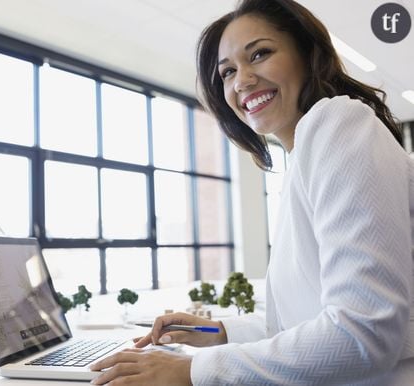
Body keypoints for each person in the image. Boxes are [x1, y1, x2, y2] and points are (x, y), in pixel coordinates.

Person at [89, 0, 414, 384]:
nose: (241, 81)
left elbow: (363, 332)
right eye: (227, 73)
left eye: (260, 54)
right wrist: (215, 332)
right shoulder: (304, 156)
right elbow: (303, 321)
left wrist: (190, 372)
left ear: (308, 54)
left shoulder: (338, 125)